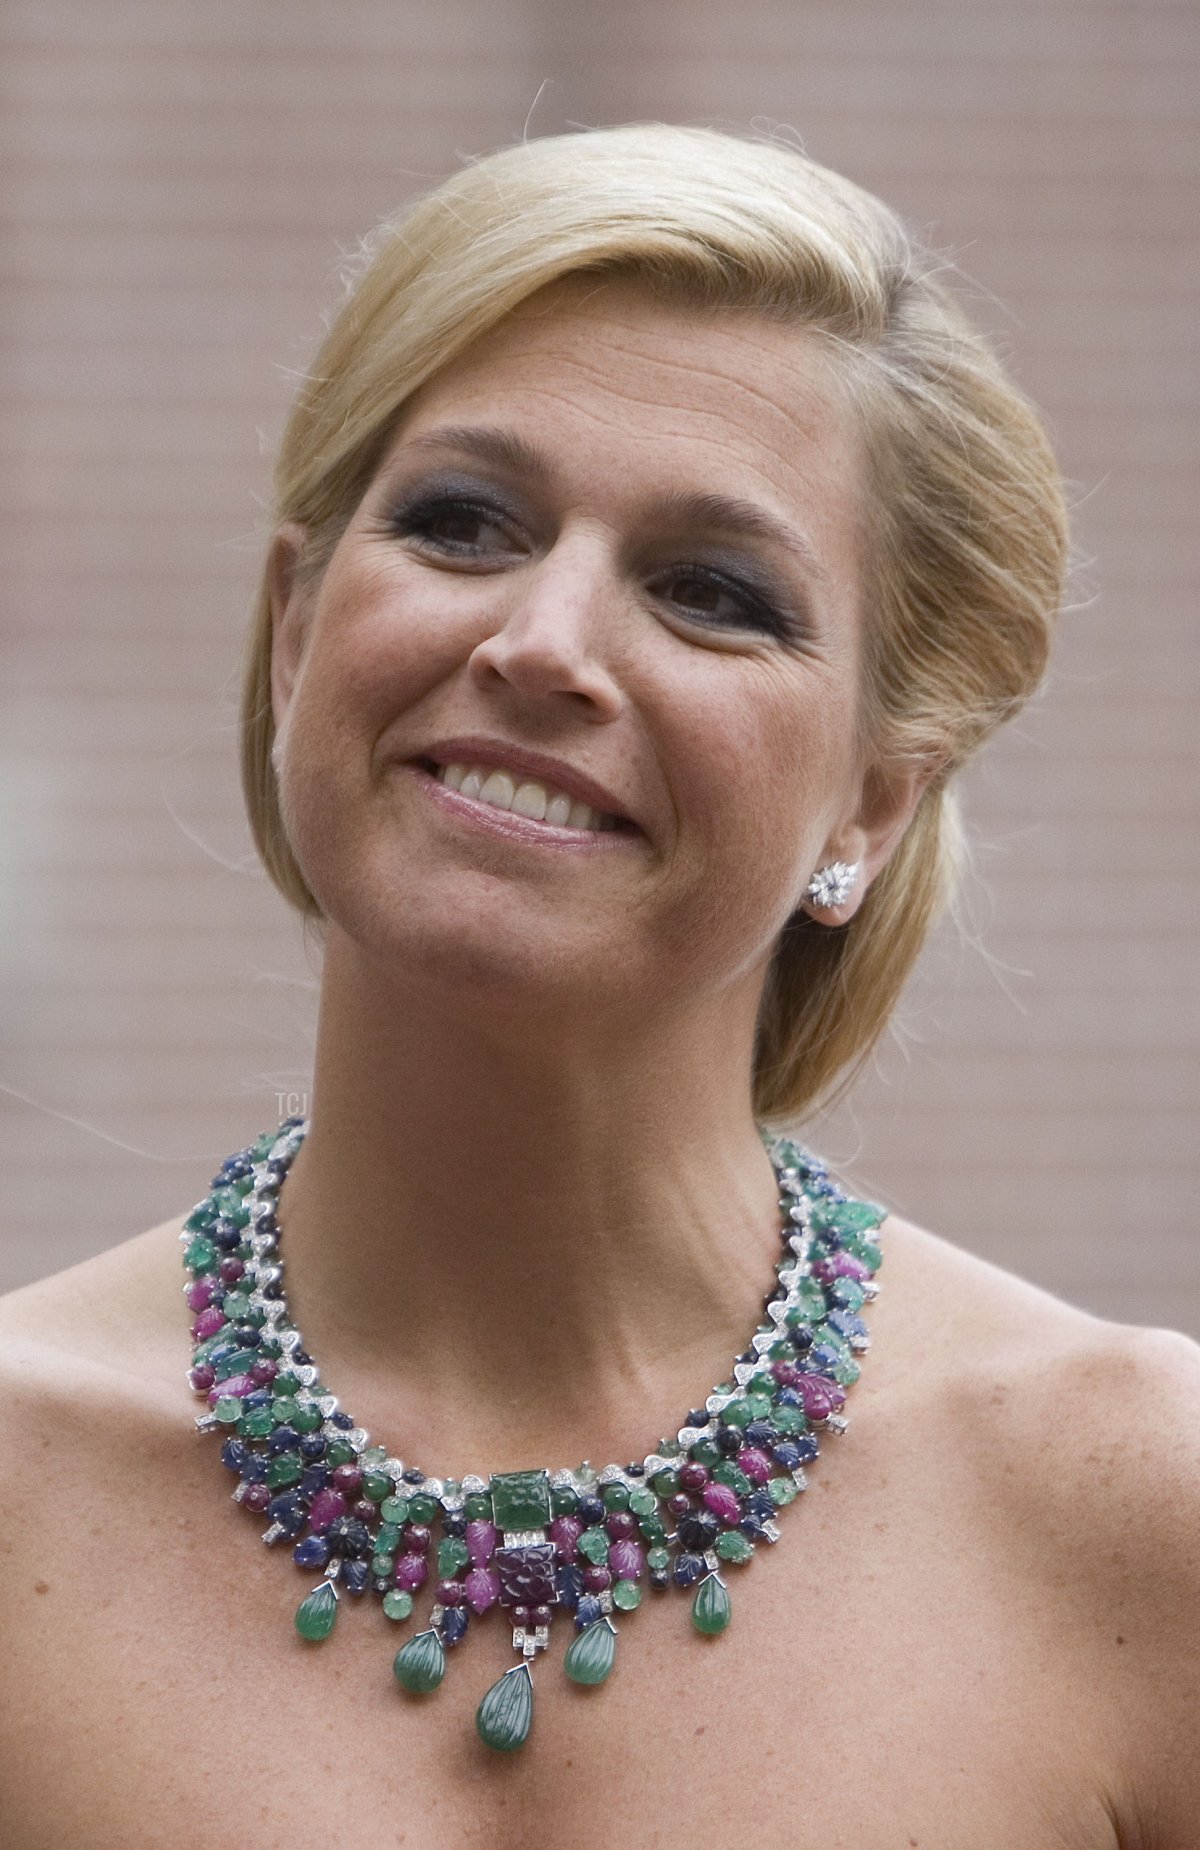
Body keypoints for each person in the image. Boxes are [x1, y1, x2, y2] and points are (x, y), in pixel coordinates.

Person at [1, 122, 1196, 1845]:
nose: (543, 643)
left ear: (877, 792)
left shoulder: (1129, 1513)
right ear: (293, 628)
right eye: (463, 520)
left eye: (711, 592)